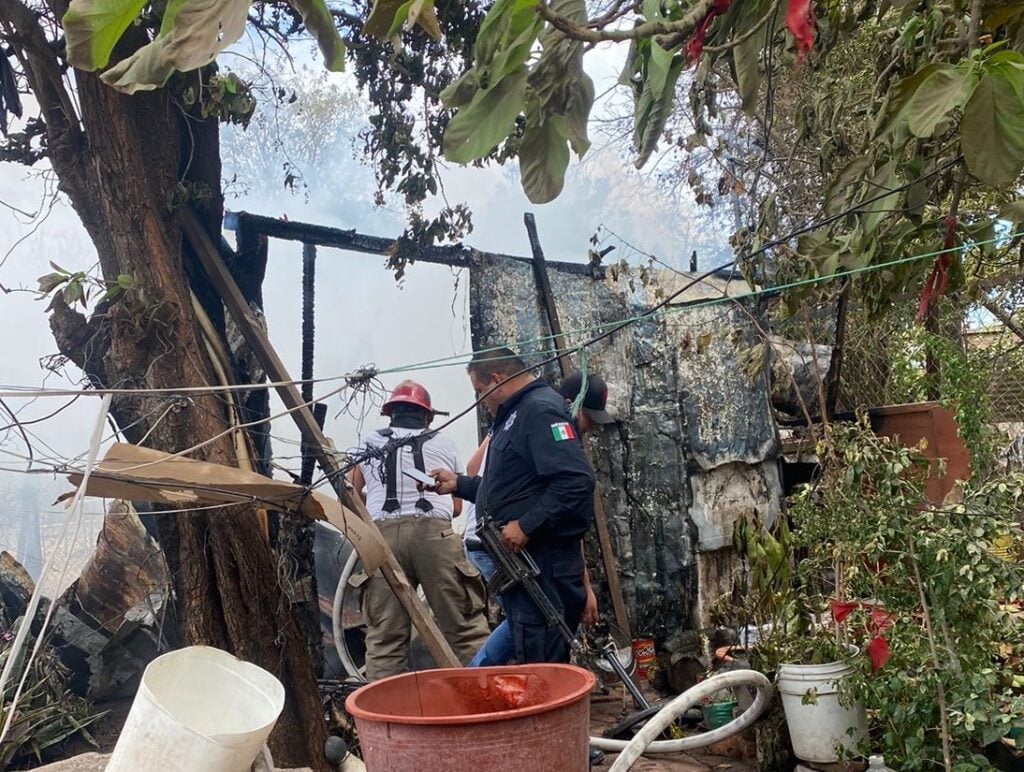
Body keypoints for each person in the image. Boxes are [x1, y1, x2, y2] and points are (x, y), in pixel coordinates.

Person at [432, 349, 595, 664]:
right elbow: (509, 492)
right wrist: (459, 484)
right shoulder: (514, 417)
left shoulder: (539, 411)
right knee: (531, 654)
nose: (481, 401)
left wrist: (526, 525)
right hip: (522, 566)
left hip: (544, 566)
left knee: (543, 664)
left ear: (496, 380)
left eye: (480, 392)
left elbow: (575, 482)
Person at [465, 369, 611, 666]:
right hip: (522, 553)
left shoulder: (534, 417)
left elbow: (571, 494)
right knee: (531, 633)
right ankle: (475, 677)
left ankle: (476, 676)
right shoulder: (539, 418)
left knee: (538, 638)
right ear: (570, 405)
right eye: (588, 419)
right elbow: (565, 486)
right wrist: (458, 485)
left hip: (538, 555)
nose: (589, 429)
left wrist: (526, 525)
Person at [348, 380, 490, 680]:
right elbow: (455, 508)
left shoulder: (368, 442)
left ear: (391, 414)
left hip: (381, 539)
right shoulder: (445, 444)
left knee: (385, 640)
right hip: (434, 538)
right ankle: (485, 703)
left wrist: (376, 502)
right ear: (427, 416)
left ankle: (387, 720)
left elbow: (349, 494)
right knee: (464, 630)